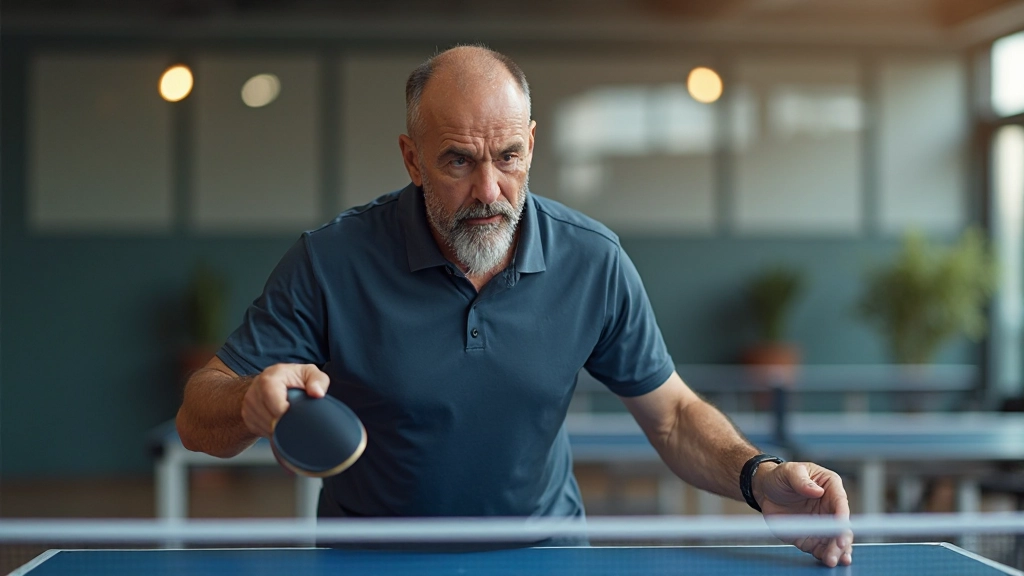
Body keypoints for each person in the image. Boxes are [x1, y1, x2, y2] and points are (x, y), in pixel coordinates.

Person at [176, 45, 853, 567]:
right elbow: (193, 414)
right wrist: (247, 401)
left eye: (508, 156)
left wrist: (760, 478)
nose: (489, 190)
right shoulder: (330, 261)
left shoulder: (592, 260)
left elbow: (673, 417)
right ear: (411, 160)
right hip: (373, 564)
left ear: (532, 142)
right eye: (457, 162)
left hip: (545, 559)